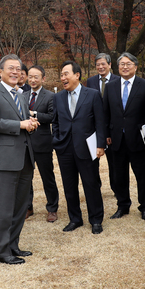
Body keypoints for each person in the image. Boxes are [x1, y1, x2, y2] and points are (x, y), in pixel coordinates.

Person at [0, 54, 39, 265]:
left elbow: (23, 122)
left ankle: (13, 245)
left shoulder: (22, 95)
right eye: (11, 68)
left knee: (20, 206)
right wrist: (20, 125)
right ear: (0, 71)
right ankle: (1, 251)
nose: (15, 72)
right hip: (5, 160)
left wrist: (30, 123)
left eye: (18, 69)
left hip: (24, 158)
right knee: (5, 207)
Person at [103, 52, 145, 221]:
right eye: (122, 64)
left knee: (142, 175)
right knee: (119, 175)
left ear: (135, 67)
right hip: (116, 139)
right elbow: (106, 113)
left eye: (128, 64)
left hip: (138, 139)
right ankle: (123, 206)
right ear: (117, 67)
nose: (125, 67)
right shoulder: (111, 86)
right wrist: (106, 133)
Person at [52, 61, 106, 234]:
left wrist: (100, 145)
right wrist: (57, 141)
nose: (63, 78)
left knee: (91, 184)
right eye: (61, 75)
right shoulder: (58, 97)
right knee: (69, 186)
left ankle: (96, 220)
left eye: (66, 74)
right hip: (65, 149)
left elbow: (100, 122)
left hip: (87, 148)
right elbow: (56, 122)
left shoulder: (93, 94)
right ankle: (75, 219)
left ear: (77, 75)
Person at [25, 65, 60, 223]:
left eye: (36, 77)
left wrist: (35, 114)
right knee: (26, 178)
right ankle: (28, 207)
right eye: (30, 77)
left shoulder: (51, 96)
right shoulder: (22, 95)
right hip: (24, 143)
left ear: (43, 78)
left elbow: (53, 116)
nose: (32, 80)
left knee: (48, 177)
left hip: (43, 142)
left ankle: (52, 208)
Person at [86, 53, 121, 200]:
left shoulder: (118, 80)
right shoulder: (90, 81)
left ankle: (117, 188)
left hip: (112, 126)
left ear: (109, 65)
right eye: (98, 64)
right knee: (94, 160)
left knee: (114, 162)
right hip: (94, 126)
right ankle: (96, 187)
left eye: (103, 64)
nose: (100, 67)